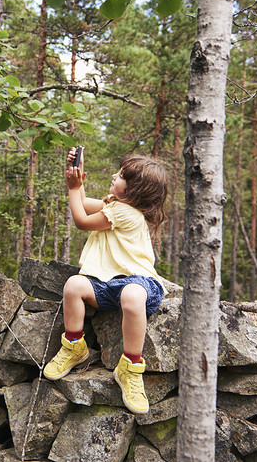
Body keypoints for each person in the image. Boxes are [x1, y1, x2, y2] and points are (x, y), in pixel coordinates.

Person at [43, 148, 169, 415]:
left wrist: (73, 186)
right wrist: (75, 182)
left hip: (140, 282)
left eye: (121, 175)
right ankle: (75, 345)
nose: (114, 175)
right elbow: (84, 202)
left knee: (132, 296)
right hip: (107, 284)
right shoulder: (116, 207)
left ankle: (130, 367)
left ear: (136, 190)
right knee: (74, 286)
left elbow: (82, 220)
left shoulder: (126, 214)